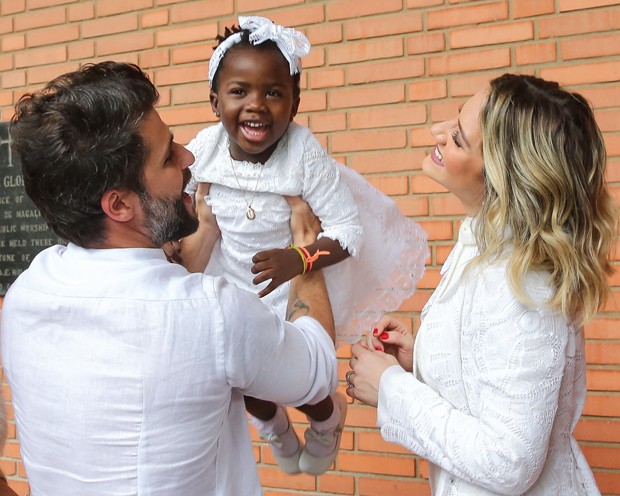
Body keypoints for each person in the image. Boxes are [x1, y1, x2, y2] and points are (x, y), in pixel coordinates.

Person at [0, 61, 339, 496]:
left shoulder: (26, 294)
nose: (189, 158)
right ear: (119, 206)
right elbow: (317, 368)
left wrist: (205, 230)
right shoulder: (213, 314)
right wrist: (305, 249)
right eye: (167, 155)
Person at [175, 16, 428, 476]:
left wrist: (299, 258)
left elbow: (349, 229)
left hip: (294, 284)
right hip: (234, 280)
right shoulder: (204, 151)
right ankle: (275, 431)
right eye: (239, 92)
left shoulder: (303, 152)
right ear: (215, 101)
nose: (256, 105)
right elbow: (180, 207)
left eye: (273, 92)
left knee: (304, 384)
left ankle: (326, 420)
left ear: (294, 104)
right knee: (246, 383)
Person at [345, 74, 617, 495]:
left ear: (502, 177)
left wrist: (390, 389)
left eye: (457, 138)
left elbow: (509, 462)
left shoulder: (525, 284)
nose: (437, 134)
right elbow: (492, 381)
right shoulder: (483, 247)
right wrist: (421, 363)